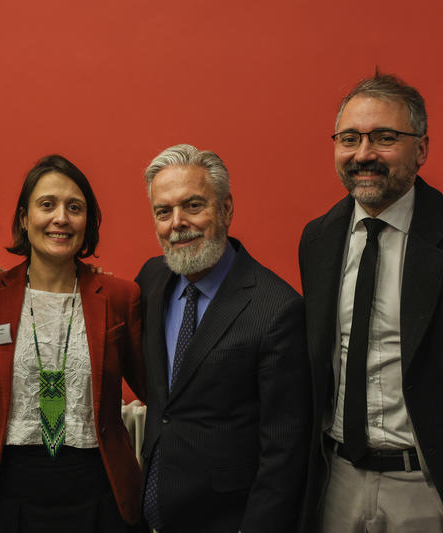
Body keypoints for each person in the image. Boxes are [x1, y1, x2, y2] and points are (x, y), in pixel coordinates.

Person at [299, 72, 443, 533]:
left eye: (385, 138)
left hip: (429, 488)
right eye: (350, 138)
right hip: (336, 480)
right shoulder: (318, 239)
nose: (363, 154)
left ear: (421, 150)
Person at [136, 144, 311, 533]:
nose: (177, 223)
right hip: (152, 515)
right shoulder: (151, 280)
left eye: (194, 206)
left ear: (227, 209)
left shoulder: (276, 310)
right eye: (163, 212)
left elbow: (283, 454)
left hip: (226, 520)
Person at [0, 154, 147, 532]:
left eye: (74, 208)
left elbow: (154, 390)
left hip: (98, 488)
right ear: (23, 217)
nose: (61, 218)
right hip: (6, 490)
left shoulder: (119, 296)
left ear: (88, 222)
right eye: (47, 205)